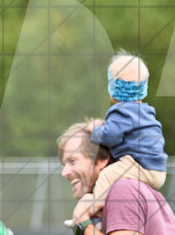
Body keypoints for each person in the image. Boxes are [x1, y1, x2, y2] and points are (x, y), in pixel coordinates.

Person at [70, 53, 167, 226]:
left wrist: (94, 128)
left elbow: (109, 136)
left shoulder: (121, 111)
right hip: (158, 169)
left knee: (107, 175)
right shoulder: (146, 111)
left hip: (140, 164)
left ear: (113, 87)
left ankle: (95, 213)